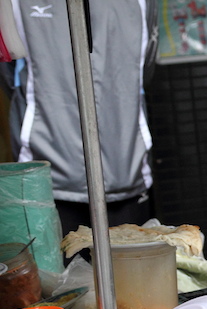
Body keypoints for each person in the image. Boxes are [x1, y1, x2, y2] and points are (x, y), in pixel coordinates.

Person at [1, 0, 158, 236]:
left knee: (129, 257)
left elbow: (144, 68)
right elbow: (9, 69)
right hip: (48, 174)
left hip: (125, 166)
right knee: (59, 259)